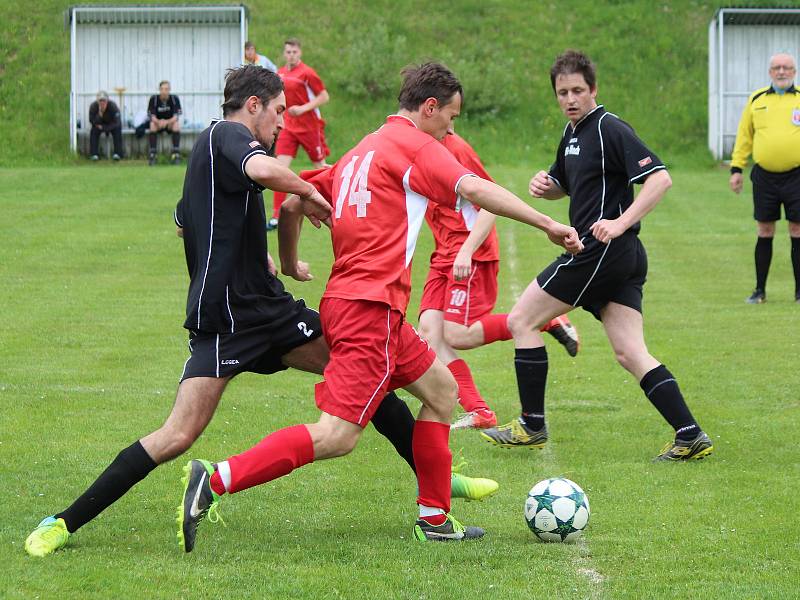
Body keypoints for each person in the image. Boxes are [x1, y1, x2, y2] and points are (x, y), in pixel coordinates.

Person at [22, 65, 494, 559]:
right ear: (253, 105)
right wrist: (311, 194)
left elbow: (189, 223)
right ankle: (62, 521)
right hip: (226, 321)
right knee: (178, 434)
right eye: (278, 112)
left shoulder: (212, 161)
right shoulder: (226, 135)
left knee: (365, 368)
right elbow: (264, 172)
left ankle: (436, 483)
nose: (282, 124)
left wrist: (258, 255)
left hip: (268, 311)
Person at [179, 61, 582, 550]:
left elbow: (289, 205)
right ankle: (216, 479)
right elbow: (474, 188)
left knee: (441, 392)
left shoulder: (363, 149)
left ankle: (434, 519)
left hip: (369, 307)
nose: (450, 131)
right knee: (337, 436)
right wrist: (548, 224)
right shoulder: (413, 146)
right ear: (429, 109)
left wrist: (289, 263)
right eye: (449, 119)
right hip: (367, 311)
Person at [479, 50, 713, 461]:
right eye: (562, 92)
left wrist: (620, 223)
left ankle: (532, 424)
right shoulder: (573, 132)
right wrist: (546, 185)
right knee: (630, 352)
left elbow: (660, 179)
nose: (570, 99)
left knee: (521, 320)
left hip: (599, 251)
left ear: (594, 90)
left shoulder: (609, 128)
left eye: (577, 91)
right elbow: (568, 184)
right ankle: (690, 434)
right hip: (617, 257)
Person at [417, 128, 580, 431]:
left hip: (469, 253)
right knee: (429, 332)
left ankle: (545, 321)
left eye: (454, 115)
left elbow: (489, 204)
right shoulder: (413, 145)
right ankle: (479, 411)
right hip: (443, 254)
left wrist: (466, 251)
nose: (452, 123)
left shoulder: (454, 147)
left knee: (457, 335)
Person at [729, 52, 800, 304]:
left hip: (796, 176)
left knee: (797, 229)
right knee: (765, 230)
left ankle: (799, 292)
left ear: (794, 71)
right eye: (776, 68)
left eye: (786, 68)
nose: (781, 72)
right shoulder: (756, 99)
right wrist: (737, 168)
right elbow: (744, 136)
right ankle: (759, 291)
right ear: (770, 72)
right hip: (765, 177)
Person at [269, 38, 330, 230]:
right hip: (288, 127)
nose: (291, 55)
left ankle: (333, 204)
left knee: (321, 167)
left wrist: (303, 109)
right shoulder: (279, 73)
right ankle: (276, 216)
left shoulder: (307, 73)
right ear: (284, 53)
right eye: (288, 52)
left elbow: (324, 96)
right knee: (280, 169)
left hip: (310, 127)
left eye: (294, 52)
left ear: (300, 53)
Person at [147, 81, 183, 165]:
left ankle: (176, 154)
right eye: (162, 89)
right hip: (158, 124)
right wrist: (159, 122)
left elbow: (176, 116)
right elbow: (151, 115)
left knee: (176, 125)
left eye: (166, 89)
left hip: (170, 124)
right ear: (159, 90)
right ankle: (153, 154)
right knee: (152, 125)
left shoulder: (174, 99)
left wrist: (166, 122)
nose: (164, 91)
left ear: (169, 90)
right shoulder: (154, 99)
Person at [88, 91, 123, 161]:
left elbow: (117, 122)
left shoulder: (113, 106)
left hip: (111, 125)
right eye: (100, 101)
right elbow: (92, 121)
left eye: (104, 101)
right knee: (94, 130)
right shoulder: (93, 106)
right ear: (97, 101)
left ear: (107, 101)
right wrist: (100, 114)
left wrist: (105, 128)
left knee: (117, 130)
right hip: (99, 125)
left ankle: (118, 154)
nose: (102, 103)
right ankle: (94, 154)